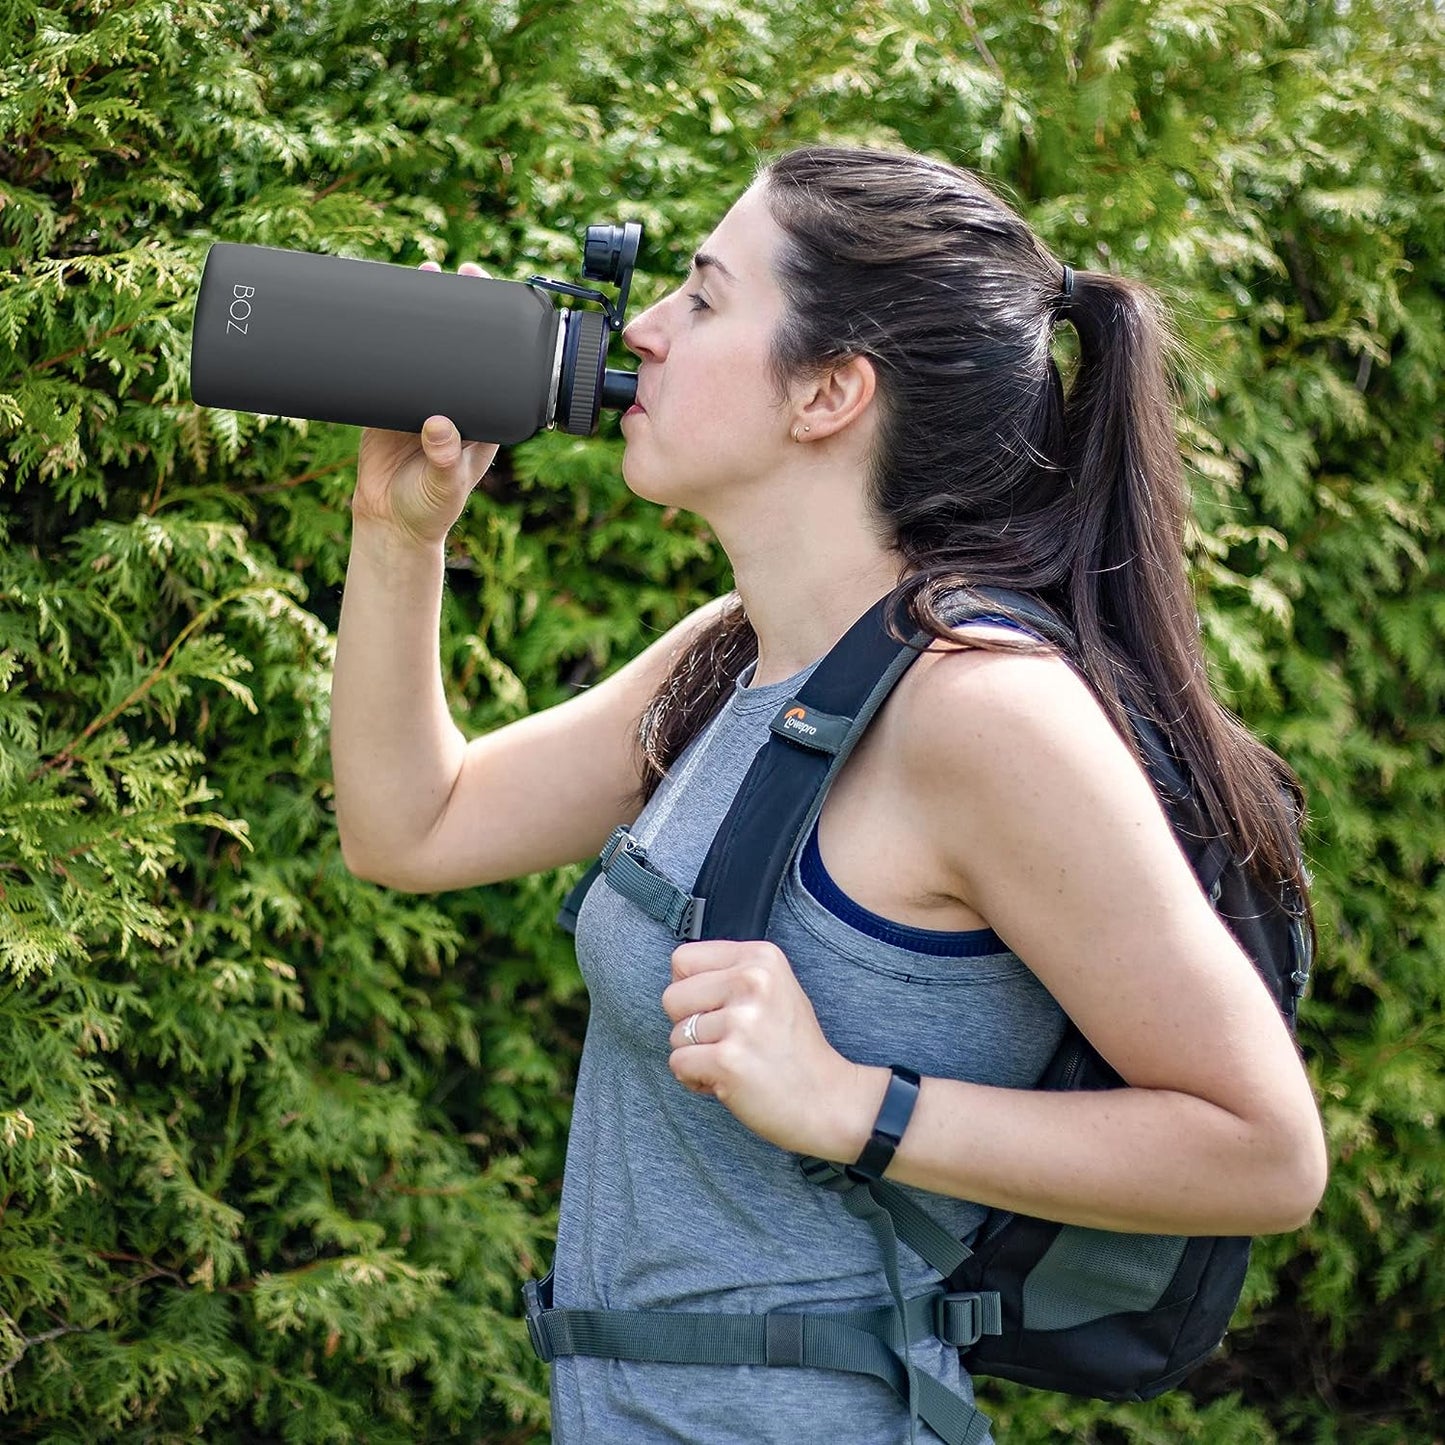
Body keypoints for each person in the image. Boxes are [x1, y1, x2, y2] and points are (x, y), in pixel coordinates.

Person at [330, 145, 1328, 1443]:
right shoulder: (739, 649)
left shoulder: (980, 714)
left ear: (827, 393)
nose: (642, 329)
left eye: (698, 295)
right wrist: (399, 535)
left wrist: (855, 1103)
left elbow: (1263, 1150)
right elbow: (414, 826)